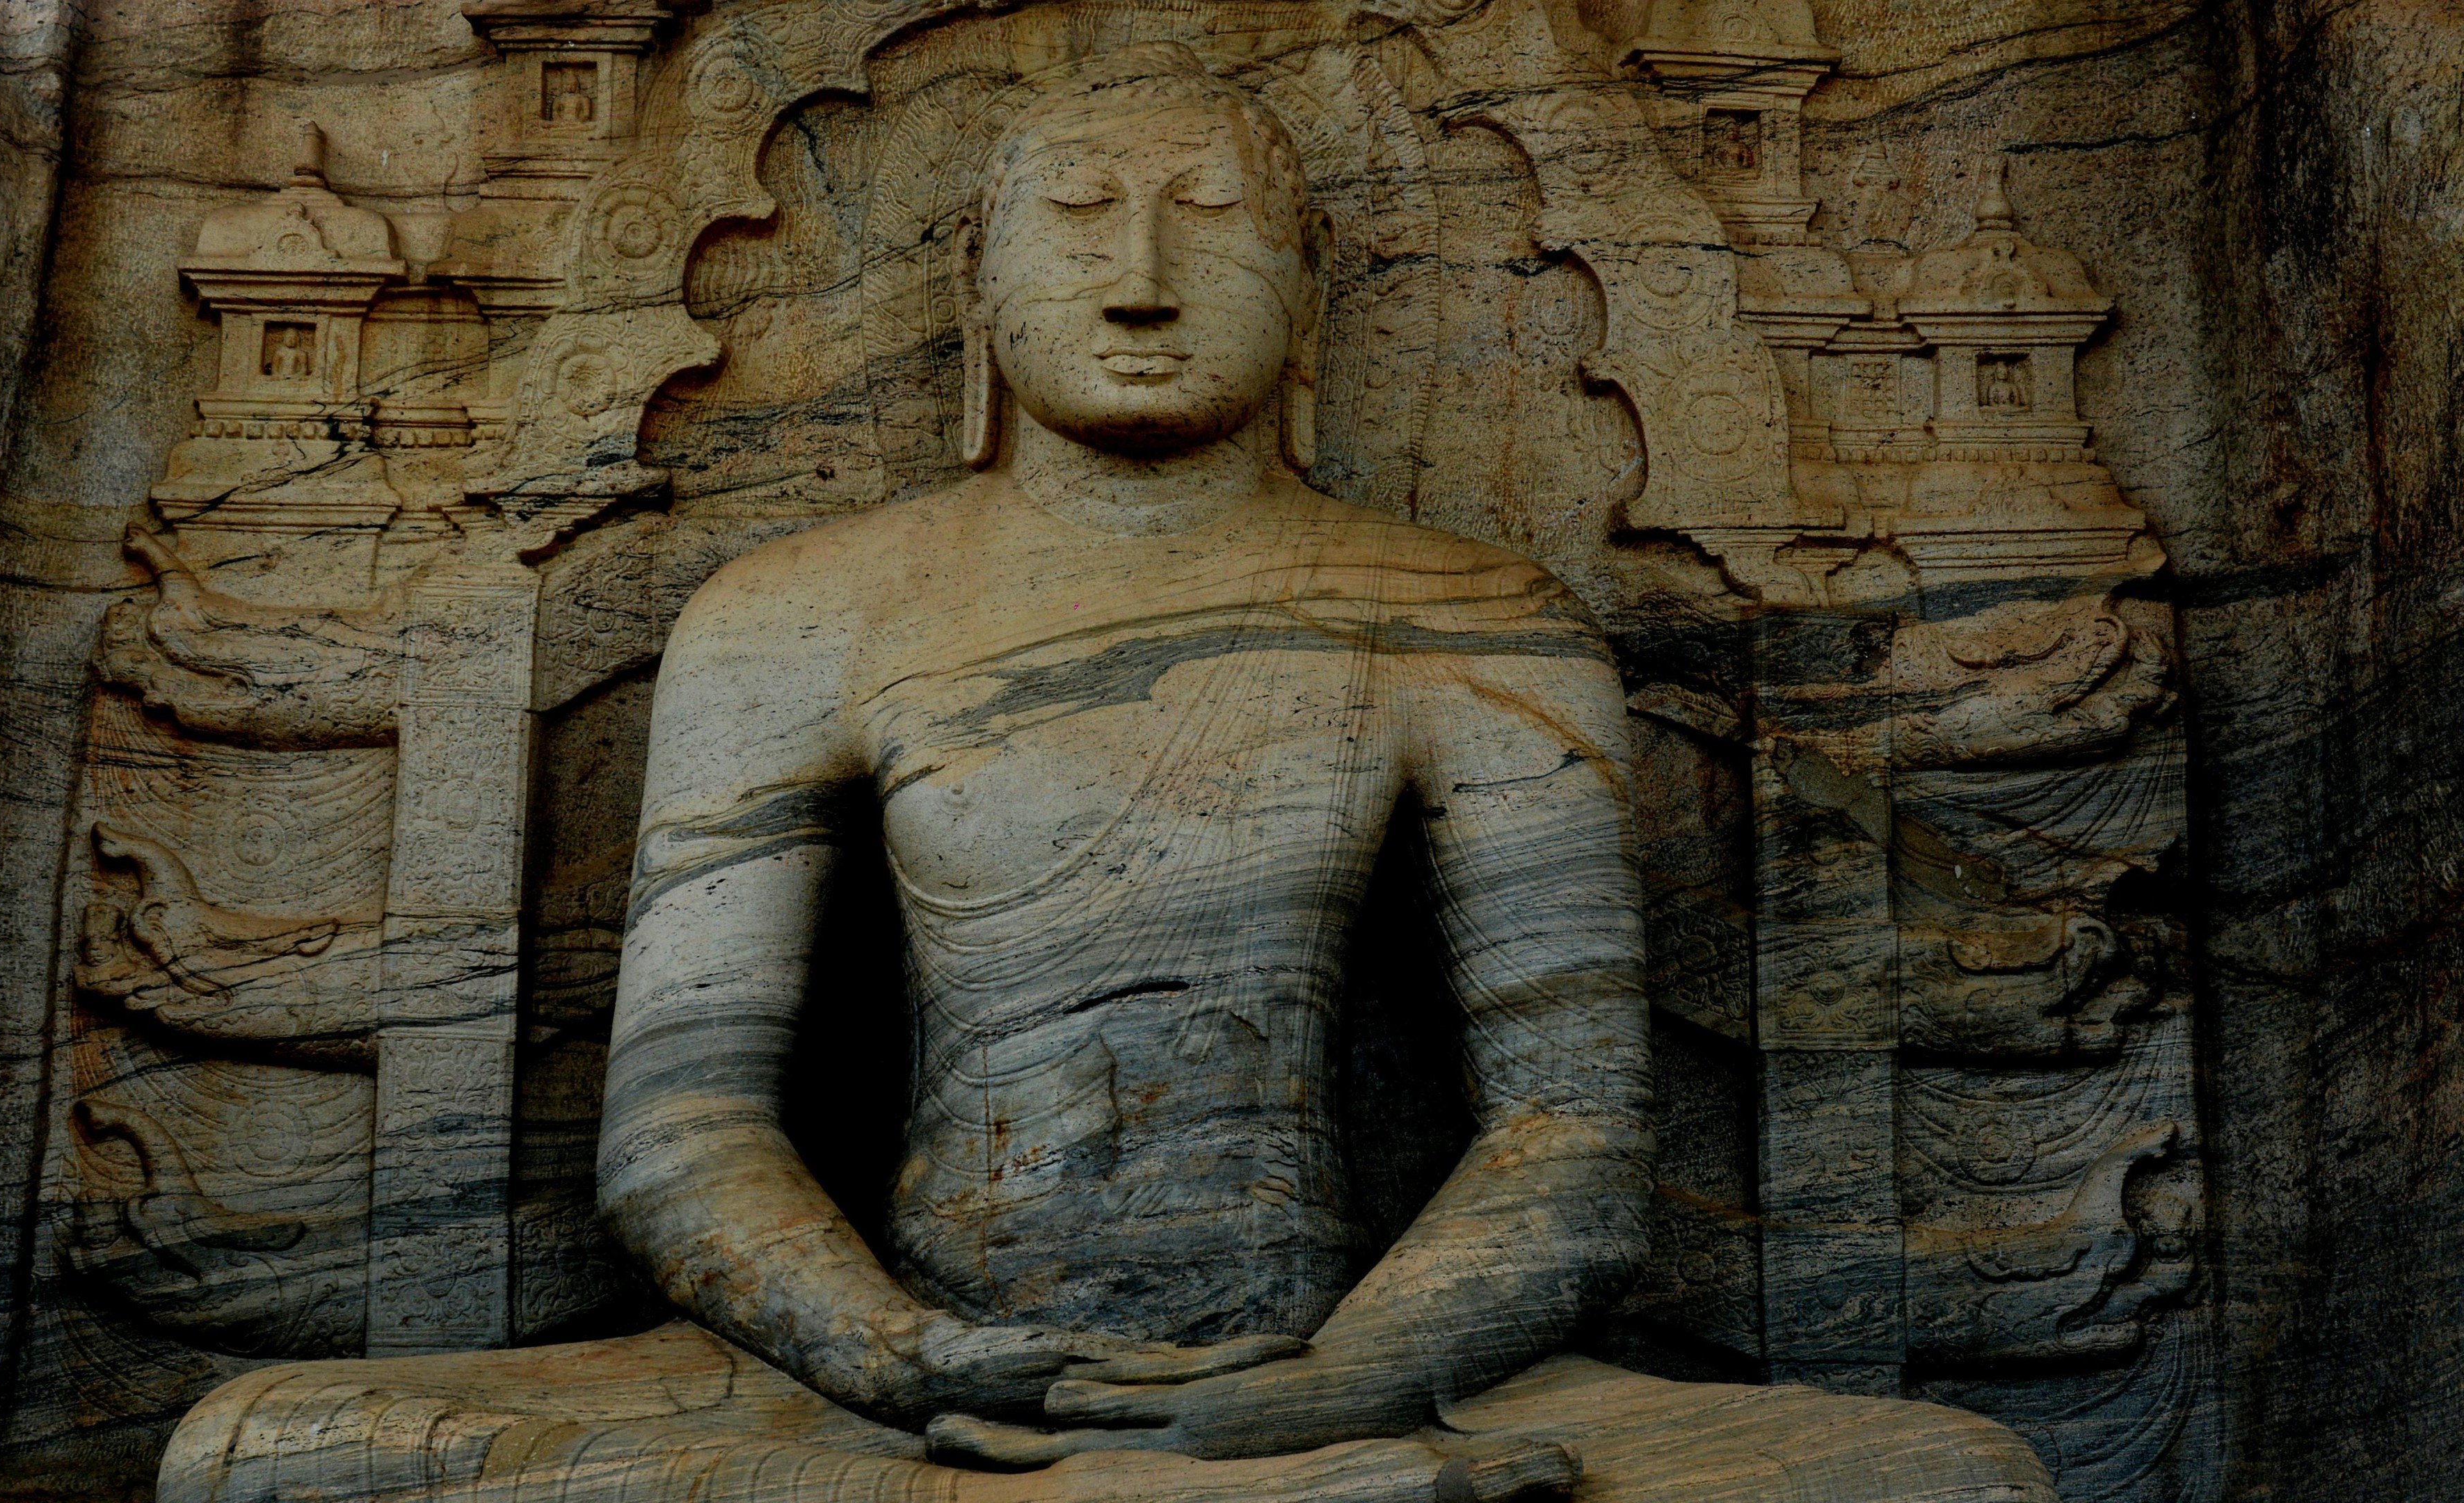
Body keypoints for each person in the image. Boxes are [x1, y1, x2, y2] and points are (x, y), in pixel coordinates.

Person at [160, 46, 2058, 1503]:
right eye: (1074, 217)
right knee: (259, 1449)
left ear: (1308, 289)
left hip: (1340, 1381)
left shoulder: (1469, 614)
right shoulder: (796, 612)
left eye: (1211, 217)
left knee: (1952, 1482)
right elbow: (680, 1137)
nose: (1142, 278)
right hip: (901, 1395)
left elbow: (1570, 1139)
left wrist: (1340, 1379)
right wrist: (895, 1355)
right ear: (977, 296)